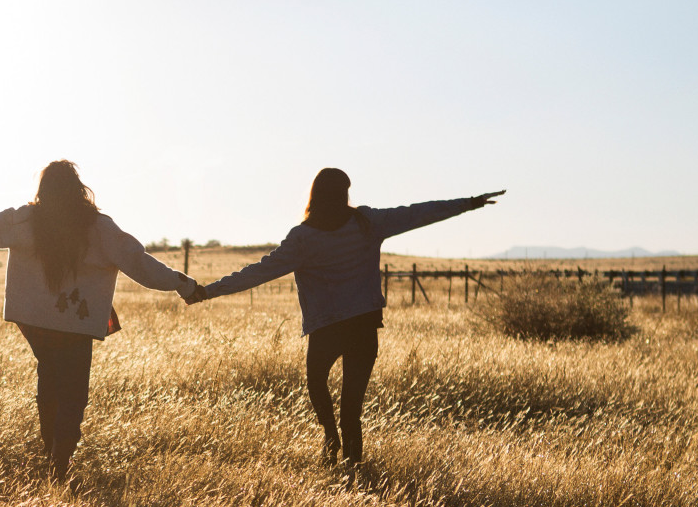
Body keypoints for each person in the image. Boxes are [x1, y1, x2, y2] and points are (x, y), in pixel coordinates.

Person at [187, 168, 503, 464]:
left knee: (316, 383)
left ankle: (330, 437)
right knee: (351, 407)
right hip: (364, 325)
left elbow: (257, 272)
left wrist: (207, 292)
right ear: (343, 193)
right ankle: (353, 465)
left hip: (327, 327)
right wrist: (469, 203)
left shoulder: (305, 237)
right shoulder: (366, 222)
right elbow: (418, 213)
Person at [0, 160, 199, 481]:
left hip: (36, 324)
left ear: (43, 189)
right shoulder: (99, 227)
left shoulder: (26, 221)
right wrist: (183, 284)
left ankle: (52, 456)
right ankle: (59, 464)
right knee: (73, 394)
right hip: (76, 325)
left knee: (49, 381)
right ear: (78, 188)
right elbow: (139, 263)